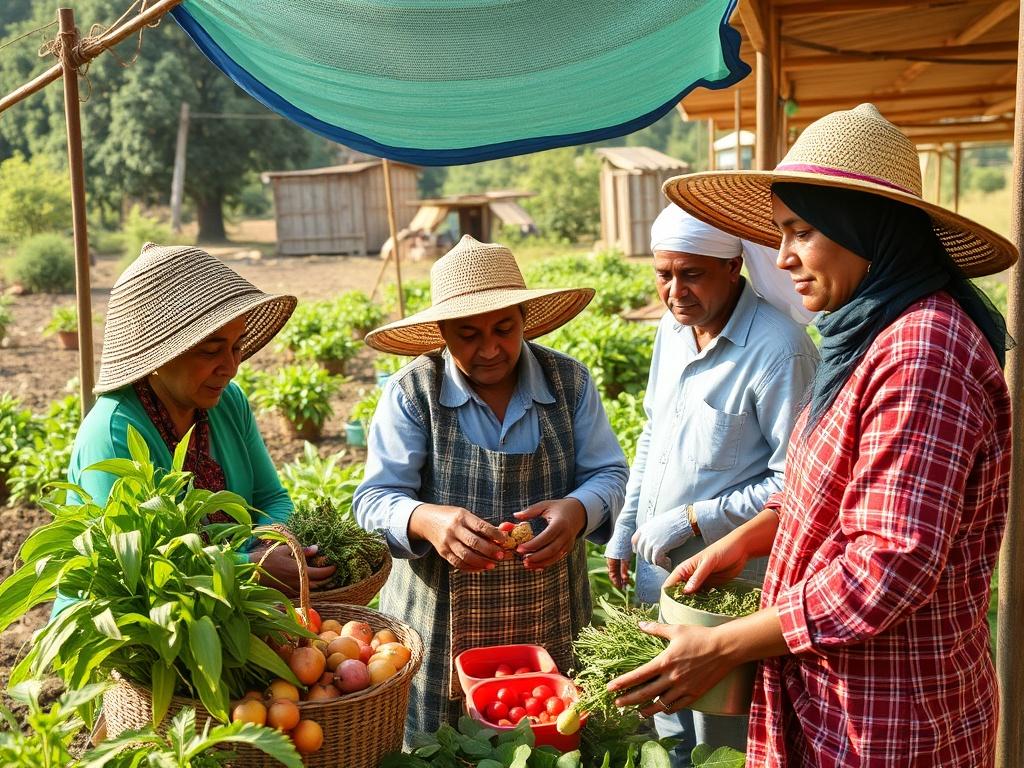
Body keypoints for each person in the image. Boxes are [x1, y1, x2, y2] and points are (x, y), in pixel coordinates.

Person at [608, 104, 1015, 767]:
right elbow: (828, 486)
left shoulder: (922, 352)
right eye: (780, 233)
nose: (783, 257)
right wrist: (746, 539)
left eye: (802, 232)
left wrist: (724, 645)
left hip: (887, 718)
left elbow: (886, 566)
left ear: (865, 229)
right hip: (834, 701)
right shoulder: (870, 335)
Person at [354, 235, 629, 735]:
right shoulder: (414, 392)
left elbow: (609, 473)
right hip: (438, 627)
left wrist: (578, 511)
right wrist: (426, 519)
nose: (489, 349)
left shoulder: (568, 383)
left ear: (524, 318)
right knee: (437, 748)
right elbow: (373, 500)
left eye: (504, 329)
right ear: (442, 334)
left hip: (549, 616)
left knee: (547, 740)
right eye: (467, 335)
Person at [603, 204, 818, 763]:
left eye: (692, 274)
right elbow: (654, 432)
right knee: (669, 725)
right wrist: (627, 525)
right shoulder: (672, 331)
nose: (675, 292)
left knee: (722, 738)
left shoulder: (779, 349)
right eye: (663, 274)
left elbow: (796, 483)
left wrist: (694, 518)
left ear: (732, 267)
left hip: (730, 591)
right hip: (661, 573)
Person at [59, 243, 334, 615]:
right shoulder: (114, 431)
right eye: (211, 350)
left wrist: (270, 544)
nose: (231, 367)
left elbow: (272, 498)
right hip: (129, 628)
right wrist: (248, 565)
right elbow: (137, 568)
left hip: (225, 610)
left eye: (236, 346)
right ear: (158, 353)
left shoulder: (228, 403)